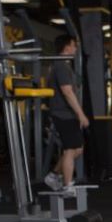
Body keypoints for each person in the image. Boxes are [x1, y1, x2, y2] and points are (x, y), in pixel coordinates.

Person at [43, 34, 88, 195]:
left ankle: (54, 175)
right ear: (67, 46)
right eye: (74, 45)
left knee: (78, 149)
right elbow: (67, 92)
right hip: (64, 114)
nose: (75, 48)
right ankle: (68, 185)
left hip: (67, 114)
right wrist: (81, 114)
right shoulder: (61, 65)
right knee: (70, 149)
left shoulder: (63, 65)